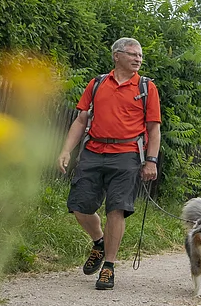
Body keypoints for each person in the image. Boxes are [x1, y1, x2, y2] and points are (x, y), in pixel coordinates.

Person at [57, 38, 161, 290]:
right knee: (79, 206)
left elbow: (153, 128)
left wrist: (151, 161)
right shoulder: (97, 83)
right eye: (132, 54)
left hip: (127, 155)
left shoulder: (147, 87)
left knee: (117, 208)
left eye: (140, 55)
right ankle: (99, 242)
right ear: (117, 56)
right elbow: (81, 120)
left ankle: (109, 267)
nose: (138, 59)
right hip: (93, 151)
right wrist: (65, 151)